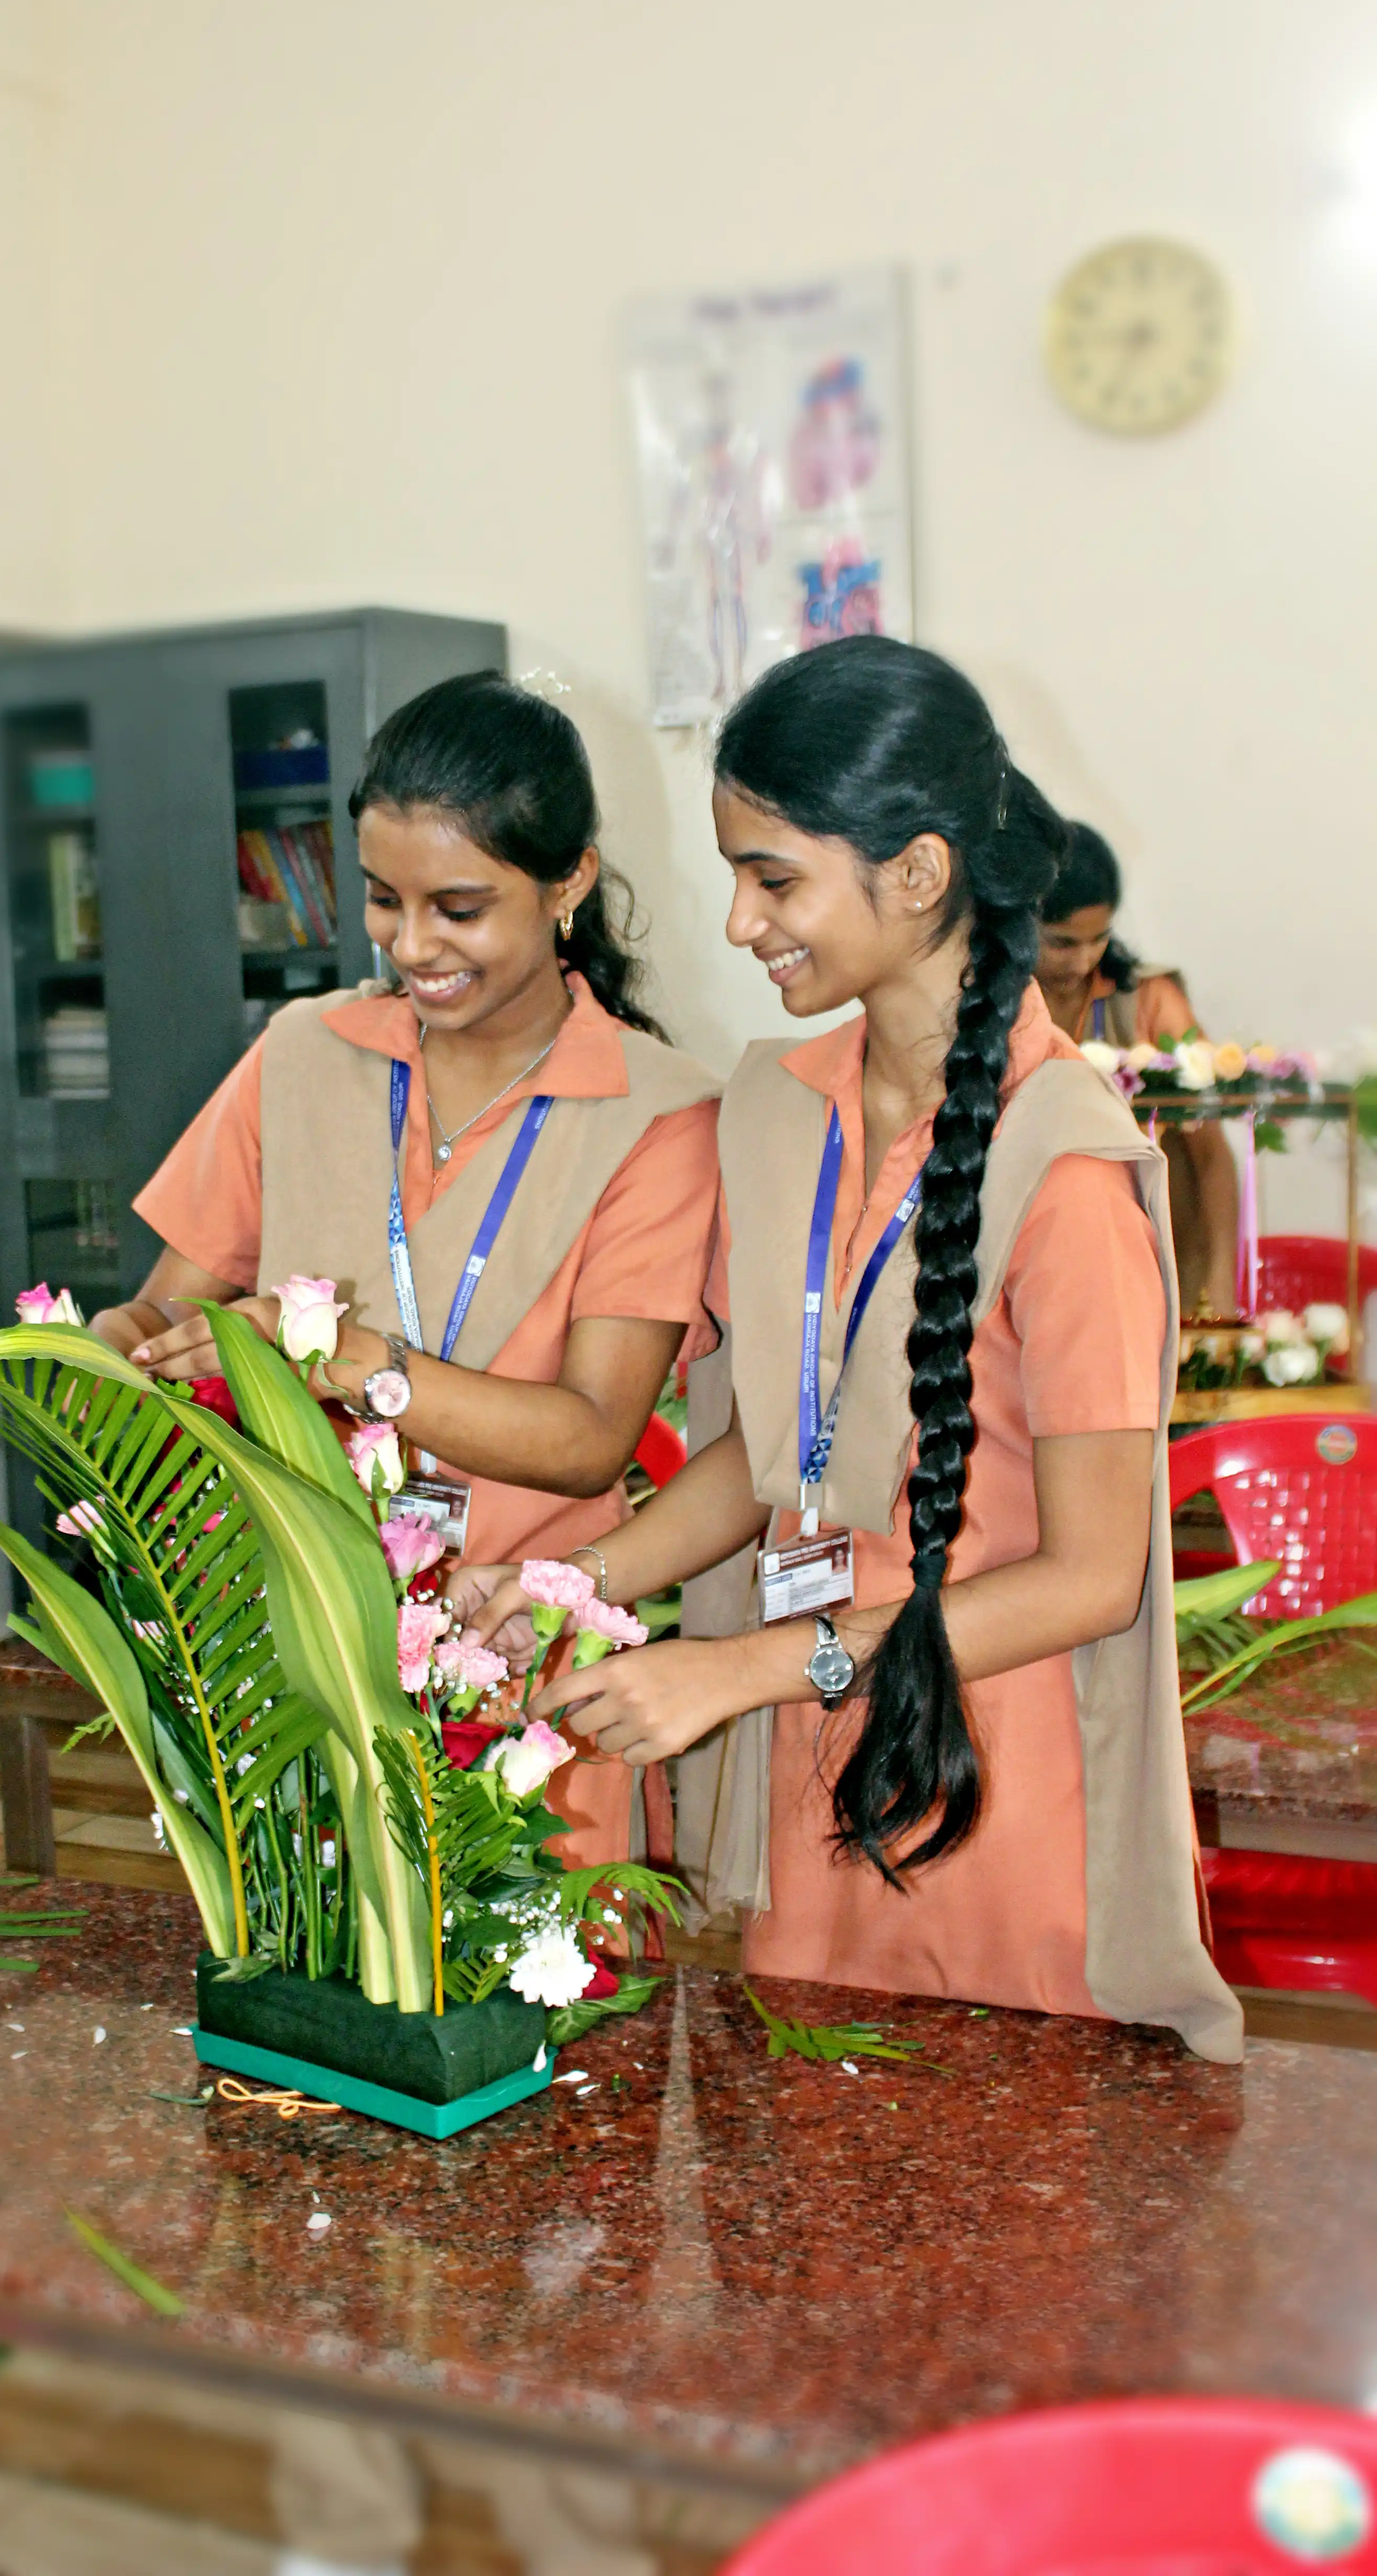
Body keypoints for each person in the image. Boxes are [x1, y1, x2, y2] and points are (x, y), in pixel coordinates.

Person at [453, 637, 1240, 2064]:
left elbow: (1089, 1575)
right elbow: (768, 1460)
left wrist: (747, 1668)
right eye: (734, 875)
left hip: (993, 1786)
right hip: (814, 1758)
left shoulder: (1065, 1172)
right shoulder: (774, 1111)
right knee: (811, 2221)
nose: (744, 923)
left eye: (776, 877)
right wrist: (575, 1579)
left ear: (921, 874)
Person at [92, 670, 721, 1869]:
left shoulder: (658, 1111)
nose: (410, 944)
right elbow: (169, 1301)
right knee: (313, 2001)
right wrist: (114, 1352)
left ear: (568, 881)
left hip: (526, 1660)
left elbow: (592, 1434)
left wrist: (345, 1360)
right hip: (294, 1649)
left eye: (459, 907)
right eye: (383, 900)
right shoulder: (300, 1055)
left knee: (545, 2018)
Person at [1035, 819, 1239, 1314]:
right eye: (1062, 943)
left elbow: (1211, 1157)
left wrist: (1221, 1282)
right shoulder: (987, 1003)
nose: (1084, 961)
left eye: (1099, 939)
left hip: (1147, 1263)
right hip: (1035, 1260)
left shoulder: (1148, 1002)